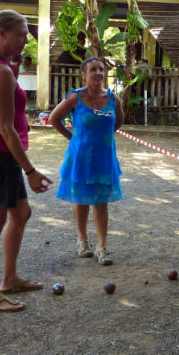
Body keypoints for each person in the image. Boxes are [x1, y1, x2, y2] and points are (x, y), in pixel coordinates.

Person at [0, 10, 53, 313]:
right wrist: (29, 170)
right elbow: (6, 128)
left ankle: (10, 278)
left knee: (21, 213)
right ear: (2, 34)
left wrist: (12, 71)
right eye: (21, 33)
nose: (26, 39)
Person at [49, 57, 124, 265]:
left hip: (104, 158)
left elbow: (118, 122)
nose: (98, 73)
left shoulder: (112, 99)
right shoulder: (76, 97)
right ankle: (82, 241)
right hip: (81, 158)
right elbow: (54, 118)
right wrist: (72, 137)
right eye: (93, 69)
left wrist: (103, 136)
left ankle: (102, 248)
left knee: (101, 201)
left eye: (101, 69)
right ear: (83, 74)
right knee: (81, 199)